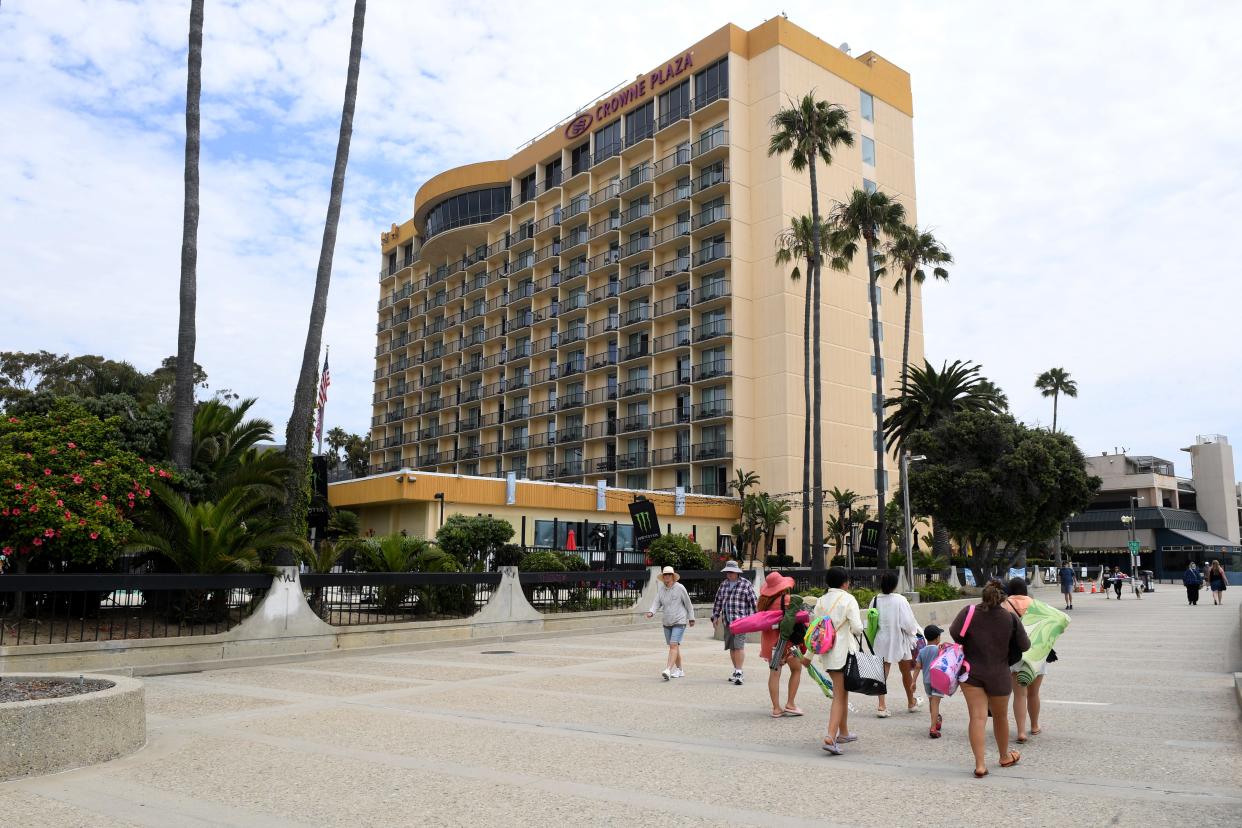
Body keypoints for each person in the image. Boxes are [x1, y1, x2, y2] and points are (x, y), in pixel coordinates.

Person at [949, 580, 1030, 778]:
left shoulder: (968, 612)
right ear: (1003, 597)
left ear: (983, 595)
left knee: (977, 717)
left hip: (971, 674)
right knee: (1000, 717)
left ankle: (980, 764)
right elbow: (1025, 645)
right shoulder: (1010, 619)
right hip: (1000, 675)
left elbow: (955, 634)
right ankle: (1003, 757)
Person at [803, 566, 863, 755]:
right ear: (845, 582)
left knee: (842, 693)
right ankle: (830, 736)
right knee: (839, 695)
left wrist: (808, 656)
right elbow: (858, 628)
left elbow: (815, 629)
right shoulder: (848, 599)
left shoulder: (820, 602)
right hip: (844, 653)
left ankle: (844, 732)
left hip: (827, 652)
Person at [870, 570, 923, 717]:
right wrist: (915, 632)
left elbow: (871, 620)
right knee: (905, 672)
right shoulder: (900, 600)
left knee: (882, 673)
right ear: (895, 585)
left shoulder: (874, 600)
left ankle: (881, 706)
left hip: (881, 640)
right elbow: (908, 623)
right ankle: (911, 702)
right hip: (899, 640)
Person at [757, 571, 804, 718]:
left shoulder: (763, 602)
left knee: (774, 674)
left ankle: (776, 708)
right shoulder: (787, 600)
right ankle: (790, 703)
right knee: (796, 670)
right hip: (788, 643)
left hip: (771, 644)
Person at [1004, 578, 1044, 743]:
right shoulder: (1036, 604)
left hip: (1016, 653)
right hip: (1036, 652)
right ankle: (1034, 726)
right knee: (1034, 693)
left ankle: (1021, 731)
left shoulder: (1005, 605)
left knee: (1019, 694)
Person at [710, 559, 757, 685]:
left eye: (732, 572)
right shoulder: (723, 585)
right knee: (731, 647)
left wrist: (757, 618)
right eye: (728, 572)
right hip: (727, 621)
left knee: (739, 646)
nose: (729, 574)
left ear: (737, 573)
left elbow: (754, 602)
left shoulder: (746, 584)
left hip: (741, 621)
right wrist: (714, 616)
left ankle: (739, 671)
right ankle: (736, 670)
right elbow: (718, 602)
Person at [646, 566, 694, 680]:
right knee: (674, 646)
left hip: (679, 620)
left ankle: (668, 669)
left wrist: (691, 618)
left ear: (673, 576)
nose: (666, 576)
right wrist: (651, 612)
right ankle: (680, 670)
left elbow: (688, 603)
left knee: (673, 645)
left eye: (669, 574)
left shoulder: (680, 588)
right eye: (665, 575)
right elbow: (656, 602)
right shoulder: (662, 589)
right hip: (667, 622)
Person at [917, 624, 947, 738]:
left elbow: (917, 666)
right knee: (935, 703)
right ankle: (933, 727)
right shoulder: (939, 650)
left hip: (926, 681)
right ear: (938, 638)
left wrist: (914, 681)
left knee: (932, 702)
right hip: (937, 680)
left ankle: (936, 720)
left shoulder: (922, 651)